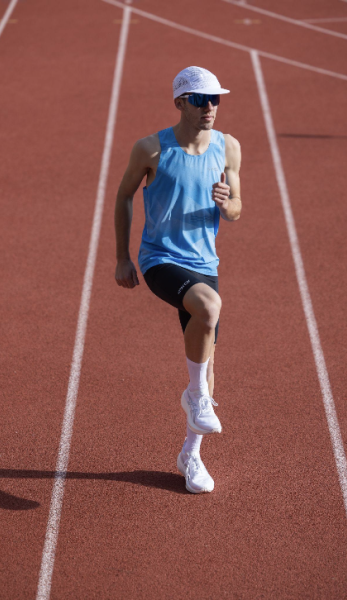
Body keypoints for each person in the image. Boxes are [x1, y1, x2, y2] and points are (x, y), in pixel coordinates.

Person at [114, 66, 242, 494]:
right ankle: (194, 396)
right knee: (209, 306)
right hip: (160, 259)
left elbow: (237, 208)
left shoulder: (228, 147)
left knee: (209, 365)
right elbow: (124, 195)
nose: (211, 107)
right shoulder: (151, 149)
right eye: (201, 99)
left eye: (215, 99)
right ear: (180, 103)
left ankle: (191, 454)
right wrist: (122, 257)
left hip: (205, 264)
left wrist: (227, 204)